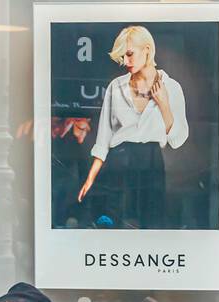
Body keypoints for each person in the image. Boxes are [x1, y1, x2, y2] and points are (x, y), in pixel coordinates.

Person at [78, 25, 188, 230]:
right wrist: (90, 179)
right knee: (116, 223)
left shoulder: (171, 87)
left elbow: (178, 139)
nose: (125, 62)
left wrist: (163, 104)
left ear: (147, 50)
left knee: (151, 222)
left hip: (152, 160)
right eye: (122, 57)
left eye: (129, 54)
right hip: (118, 161)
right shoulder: (116, 86)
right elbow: (103, 139)